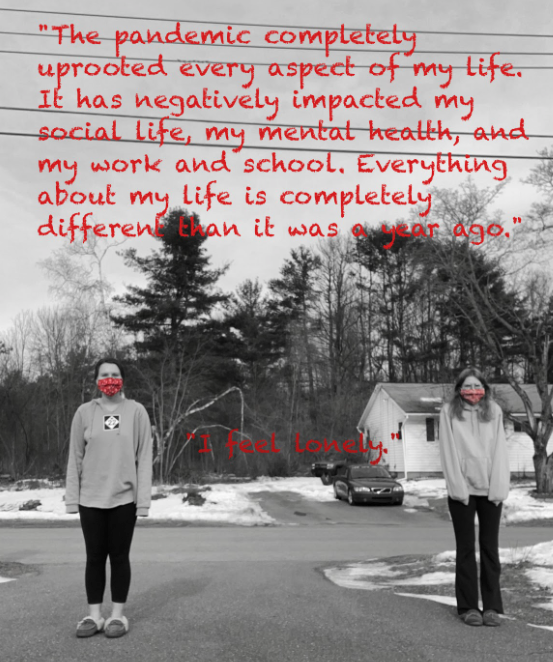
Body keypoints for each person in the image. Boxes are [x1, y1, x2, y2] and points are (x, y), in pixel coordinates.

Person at [65, 358, 152, 638]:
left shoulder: (136, 412)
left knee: (118, 557)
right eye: (104, 374)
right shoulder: (84, 413)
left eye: (115, 374)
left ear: (122, 379)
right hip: (90, 499)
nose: (110, 378)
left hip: (124, 499)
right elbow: (75, 457)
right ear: (96, 380)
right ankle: (94, 616)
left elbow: (145, 458)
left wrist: (143, 500)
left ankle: (116, 616)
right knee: (93, 558)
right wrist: (71, 498)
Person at [439, 367, 510, 627]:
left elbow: (500, 450)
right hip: (462, 493)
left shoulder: (495, 411)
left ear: (485, 388)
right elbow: (448, 451)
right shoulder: (448, 412)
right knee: (466, 549)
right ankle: (468, 607)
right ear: (459, 389)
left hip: (490, 492)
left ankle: (491, 607)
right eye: (467, 386)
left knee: (490, 549)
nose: (472, 391)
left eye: (477, 386)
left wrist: (499, 488)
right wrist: (457, 488)